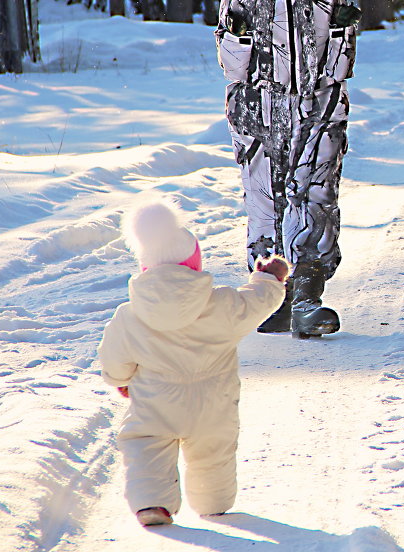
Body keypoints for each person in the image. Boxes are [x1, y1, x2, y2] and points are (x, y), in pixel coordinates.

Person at [157, 0, 404, 337]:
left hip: (320, 91)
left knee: (315, 189)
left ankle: (307, 294)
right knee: (264, 196)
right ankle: (271, 295)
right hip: (255, 94)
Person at [97, 200, 288, 526]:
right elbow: (256, 303)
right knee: (213, 453)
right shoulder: (223, 304)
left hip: (155, 404)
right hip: (212, 405)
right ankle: (213, 503)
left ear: (146, 267)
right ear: (194, 265)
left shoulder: (129, 316)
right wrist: (269, 278)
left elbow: (113, 361)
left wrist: (122, 381)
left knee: (146, 448)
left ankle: (152, 504)